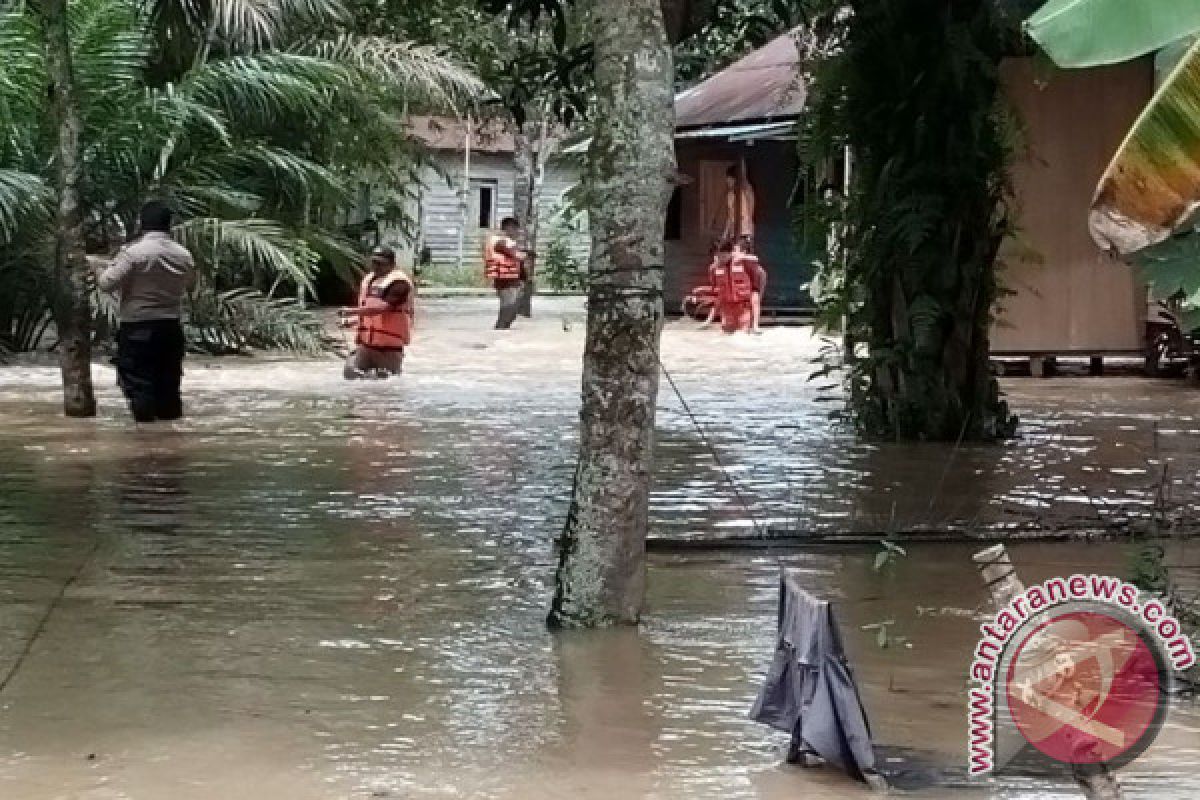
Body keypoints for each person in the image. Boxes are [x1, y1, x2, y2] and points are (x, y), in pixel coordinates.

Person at [96, 201, 195, 423]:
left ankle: (144, 442)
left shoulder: (133, 253)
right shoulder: (183, 255)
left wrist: (100, 267)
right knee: (169, 387)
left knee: (140, 386)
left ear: (142, 224)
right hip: (170, 328)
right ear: (169, 225)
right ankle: (171, 445)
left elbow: (106, 284)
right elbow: (190, 284)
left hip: (138, 328)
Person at [339, 246, 415, 379]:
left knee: (387, 387)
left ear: (392, 264)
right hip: (367, 346)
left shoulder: (399, 283)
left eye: (381, 263)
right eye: (374, 262)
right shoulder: (370, 280)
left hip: (389, 350)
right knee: (351, 377)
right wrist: (351, 322)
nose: (376, 266)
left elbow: (382, 308)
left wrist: (351, 311)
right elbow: (374, 319)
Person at [483, 217, 527, 330]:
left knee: (513, 307)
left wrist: (523, 278)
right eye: (515, 229)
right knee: (508, 305)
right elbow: (504, 249)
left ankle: (503, 329)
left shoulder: (511, 243)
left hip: (513, 279)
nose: (517, 232)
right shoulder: (500, 241)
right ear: (507, 228)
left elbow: (518, 260)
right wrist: (518, 254)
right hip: (504, 280)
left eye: (517, 229)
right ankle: (500, 329)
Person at [708, 240, 755, 334]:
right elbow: (717, 294)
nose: (721, 259)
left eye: (723, 256)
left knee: (743, 337)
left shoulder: (744, 262)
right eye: (718, 256)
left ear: (731, 253)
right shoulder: (713, 269)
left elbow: (759, 270)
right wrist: (709, 319)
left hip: (743, 307)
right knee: (725, 339)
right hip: (726, 309)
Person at [735, 236, 768, 334]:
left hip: (757, 278)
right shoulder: (736, 257)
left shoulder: (750, 258)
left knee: (756, 300)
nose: (735, 251)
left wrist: (742, 256)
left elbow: (756, 258)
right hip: (747, 281)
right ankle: (746, 323)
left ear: (743, 251)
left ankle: (755, 325)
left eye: (736, 249)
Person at [722, 165, 756, 245]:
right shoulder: (730, 195)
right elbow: (729, 217)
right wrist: (724, 235)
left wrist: (750, 234)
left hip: (745, 231)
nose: (727, 180)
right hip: (734, 233)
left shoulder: (746, 191)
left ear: (735, 179)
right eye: (727, 178)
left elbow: (750, 212)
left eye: (730, 178)